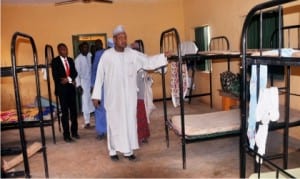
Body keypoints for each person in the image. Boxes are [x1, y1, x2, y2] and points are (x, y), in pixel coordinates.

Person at [91, 25, 168, 161]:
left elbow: (148, 61)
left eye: (125, 37)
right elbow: (99, 76)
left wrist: (163, 57)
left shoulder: (132, 54)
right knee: (114, 124)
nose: (123, 40)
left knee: (129, 123)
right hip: (113, 98)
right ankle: (113, 151)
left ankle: (128, 151)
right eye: (120, 37)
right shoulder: (106, 56)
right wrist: (96, 95)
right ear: (114, 40)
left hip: (129, 97)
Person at [51, 43, 79, 142]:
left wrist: (68, 79)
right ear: (59, 51)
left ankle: (74, 132)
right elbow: (55, 75)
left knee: (74, 112)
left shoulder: (70, 60)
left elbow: (75, 73)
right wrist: (65, 79)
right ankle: (66, 135)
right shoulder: (55, 61)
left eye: (65, 49)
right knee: (65, 113)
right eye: (62, 49)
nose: (64, 51)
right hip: (62, 90)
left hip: (71, 88)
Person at [75, 42, 95, 129]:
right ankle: (87, 122)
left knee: (92, 100)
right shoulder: (78, 60)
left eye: (87, 47)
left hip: (91, 81)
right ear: (80, 49)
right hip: (83, 82)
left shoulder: (90, 55)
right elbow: (76, 74)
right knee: (85, 102)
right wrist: (78, 85)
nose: (86, 49)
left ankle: (94, 119)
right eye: (84, 48)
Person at [91, 39, 107, 140]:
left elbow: (93, 70)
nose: (98, 46)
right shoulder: (98, 54)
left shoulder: (108, 53)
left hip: (110, 85)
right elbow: (94, 70)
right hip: (100, 85)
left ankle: (109, 130)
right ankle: (101, 131)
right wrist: (93, 86)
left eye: (99, 44)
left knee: (109, 108)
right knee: (100, 108)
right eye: (96, 45)